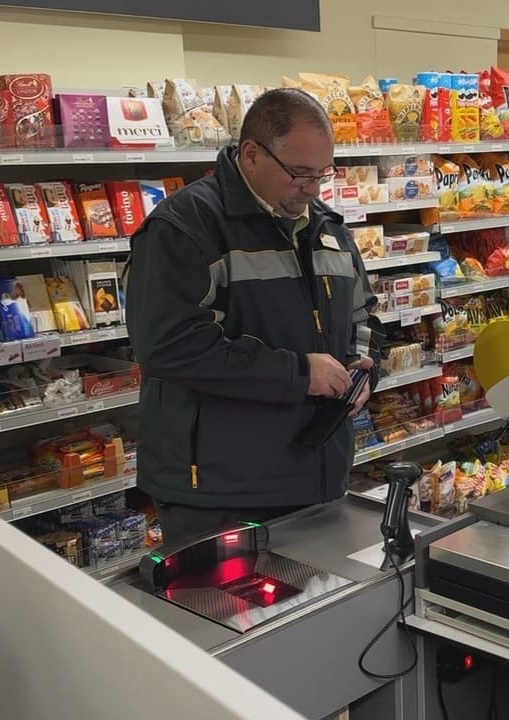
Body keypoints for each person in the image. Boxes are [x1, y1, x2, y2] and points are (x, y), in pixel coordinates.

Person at [125, 88, 381, 545]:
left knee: (322, 615)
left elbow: (364, 318)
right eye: (300, 174)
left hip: (314, 477)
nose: (313, 188)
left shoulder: (327, 227)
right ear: (250, 154)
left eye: (323, 173)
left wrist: (362, 371)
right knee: (220, 615)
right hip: (221, 494)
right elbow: (168, 346)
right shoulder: (185, 227)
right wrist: (299, 373)